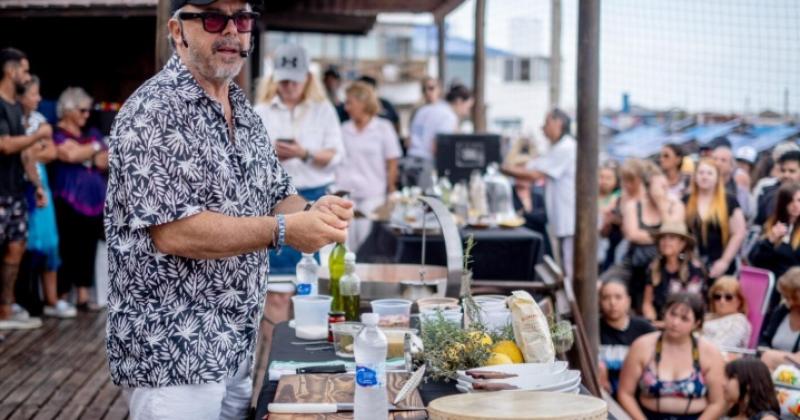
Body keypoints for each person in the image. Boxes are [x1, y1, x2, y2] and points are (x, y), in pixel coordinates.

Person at [105, 0, 354, 418]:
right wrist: (285, 229)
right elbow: (176, 232)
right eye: (214, 18)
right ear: (178, 31)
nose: (232, 31)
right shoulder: (153, 111)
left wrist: (315, 211)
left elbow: (277, 191)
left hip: (235, 343)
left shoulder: (244, 111)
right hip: (172, 353)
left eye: (241, 19)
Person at [254, 43, 345, 273]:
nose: (290, 86)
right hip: (273, 202)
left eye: (295, 80)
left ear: (307, 78)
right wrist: (271, 157)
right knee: (275, 278)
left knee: (312, 275)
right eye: (284, 81)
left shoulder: (323, 110)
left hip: (314, 196)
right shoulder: (260, 111)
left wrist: (304, 154)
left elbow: (336, 155)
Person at [618, 292, 726, 420]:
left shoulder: (709, 352)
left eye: (684, 319)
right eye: (672, 314)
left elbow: (718, 402)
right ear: (664, 313)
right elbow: (625, 393)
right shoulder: (642, 346)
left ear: (696, 323)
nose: (675, 322)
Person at [0, 47, 49, 330]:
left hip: (16, 190)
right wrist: (38, 136)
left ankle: (6, 310)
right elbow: (4, 145)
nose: (27, 76)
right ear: (11, 71)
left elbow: (24, 155)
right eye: (25, 70)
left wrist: (37, 185)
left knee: (16, 248)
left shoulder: (16, 107)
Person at [19, 76, 74, 318]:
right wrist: (31, 149)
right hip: (19, 185)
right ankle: (27, 300)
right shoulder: (12, 120)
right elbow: (22, 152)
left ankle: (51, 299)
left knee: (50, 242)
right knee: (25, 244)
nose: (39, 99)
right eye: (34, 94)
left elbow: (51, 151)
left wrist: (30, 151)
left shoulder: (40, 120)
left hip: (41, 182)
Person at [51, 86, 108, 311]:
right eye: (82, 110)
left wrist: (86, 151)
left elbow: (106, 158)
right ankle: (62, 294)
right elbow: (68, 154)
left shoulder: (91, 134)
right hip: (67, 199)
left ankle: (84, 295)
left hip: (94, 202)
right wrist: (92, 150)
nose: (87, 115)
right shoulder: (57, 133)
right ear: (68, 110)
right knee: (67, 246)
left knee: (88, 245)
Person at [502, 109, 576, 279]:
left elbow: (534, 174)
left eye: (547, 123)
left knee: (570, 270)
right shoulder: (556, 148)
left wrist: (503, 168)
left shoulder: (566, 147)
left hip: (570, 219)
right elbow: (532, 166)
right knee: (564, 268)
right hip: (562, 220)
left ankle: (574, 305)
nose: (543, 128)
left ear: (559, 123)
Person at [335, 81, 402, 251]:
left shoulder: (383, 128)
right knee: (345, 244)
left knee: (367, 246)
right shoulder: (343, 129)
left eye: (350, 102)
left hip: (373, 197)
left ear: (363, 102)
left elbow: (392, 161)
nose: (346, 107)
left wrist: (391, 190)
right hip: (346, 195)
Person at [684, 159, 747, 278]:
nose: (704, 177)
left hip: (721, 261)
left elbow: (739, 233)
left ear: (717, 177)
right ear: (695, 176)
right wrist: (690, 257)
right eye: (701, 173)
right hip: (693, 263)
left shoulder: (729, 201)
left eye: (709, 173)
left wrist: (725, 261)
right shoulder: (686, 201)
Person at [598, 279, 655, 397]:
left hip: (639, 395)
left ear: (628, 301)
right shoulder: (594, 329)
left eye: (618, 297)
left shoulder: (644, 328)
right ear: (599, 301)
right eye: (606, 298)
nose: (612, 303)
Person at [749, 182, 800, 309]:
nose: (795, 205)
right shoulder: (771, 224)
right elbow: (756, 261)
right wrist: (770, 240)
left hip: (794, 291)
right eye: (790, 201)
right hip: (770, 291)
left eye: (799, 200)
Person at [642, 222, 706, 323]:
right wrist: (651, 320)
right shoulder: (653, 267)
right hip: (659, 322)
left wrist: (670, 324)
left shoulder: (694, 268)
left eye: (671, 238)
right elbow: (647, 303)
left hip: (685, 322)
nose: (666, 242)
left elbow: (693, 304)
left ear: (682, 244)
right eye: (663, 238)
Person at [406, 83, 473, 163]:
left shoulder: (424, 109)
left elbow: (409, 139)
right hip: (426, 164)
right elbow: (439, 146)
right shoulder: (449, 117)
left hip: (409, 159)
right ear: (459, 101)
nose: (467, 113)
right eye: (468, 107)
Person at [759, 267, 800, 371]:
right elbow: (764, 339)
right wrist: (764, 350)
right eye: (785, 296)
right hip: (772, 367)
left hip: (794, 371)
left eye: (790, 297)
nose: (786, 300)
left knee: (768, 357)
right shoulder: (781, 311)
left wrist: (772, 356)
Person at [702, 276, 751, 350]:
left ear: (739, 301)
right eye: (717, 296)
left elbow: (721, 347)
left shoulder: (738, 321)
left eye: (728, 297)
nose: (722, 301)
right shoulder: (709, 316)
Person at [754, 150, 800, 227]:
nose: (786, 175)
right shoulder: (767, 190)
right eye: (783, 170)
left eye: (792, 171)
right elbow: (758, 220)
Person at [713, 144, 752, 218]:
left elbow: (744, 212)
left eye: (723, 160)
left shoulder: (738, 187)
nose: (718, 163)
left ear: (731, 166)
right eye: (715, 159)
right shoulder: (703, 186)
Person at [598, 161, 623, 271]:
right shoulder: (593, 195)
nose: (604, 181)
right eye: (601, 177)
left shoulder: (617, 196)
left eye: (608, 178)